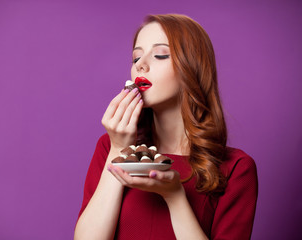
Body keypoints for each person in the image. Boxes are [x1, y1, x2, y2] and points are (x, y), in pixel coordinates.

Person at [74, 14, 258, 240]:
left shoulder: (236, 168)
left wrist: (175, 197)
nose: (140, 64)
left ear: (192, 69)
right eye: (135, 58)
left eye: (160, 55)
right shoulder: (110, 146)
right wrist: (118, 150)